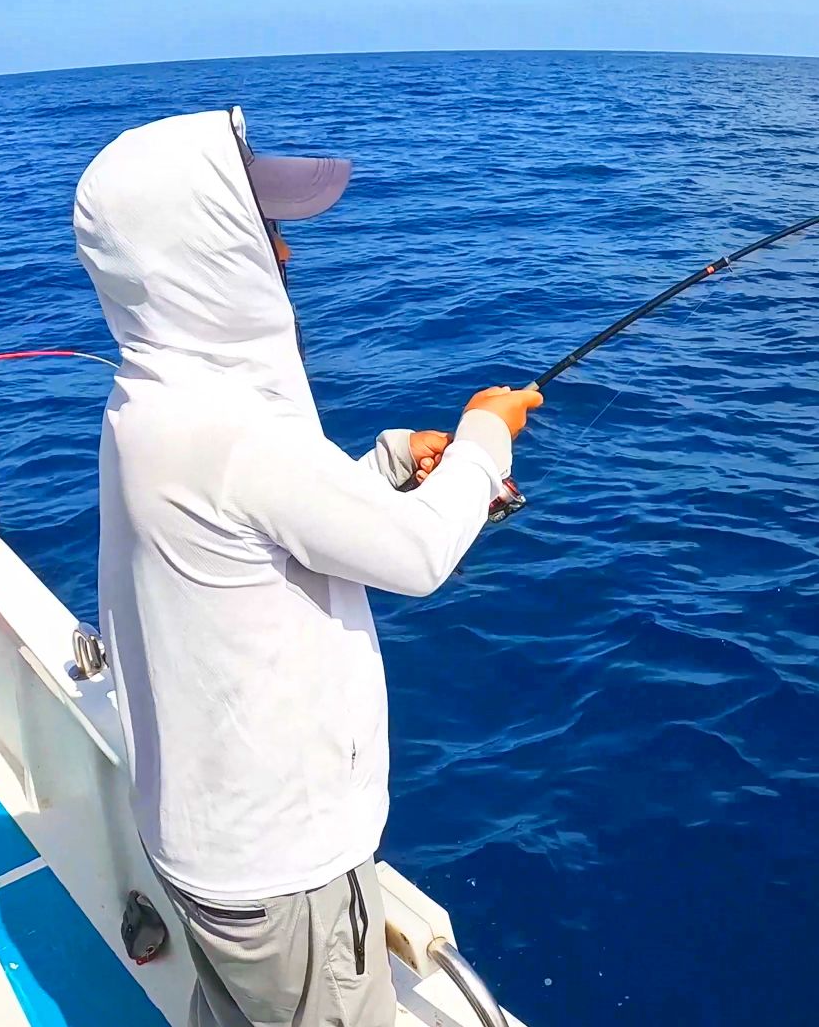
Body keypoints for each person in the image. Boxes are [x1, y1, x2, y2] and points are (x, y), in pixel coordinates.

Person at [74, 106, 540, 1027]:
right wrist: (487, 435)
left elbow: (258, 531)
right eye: (266, 232)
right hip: (281, 880)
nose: (287, 256)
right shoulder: (234, 432)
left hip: (206, 853)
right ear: (206, 252)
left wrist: (394, 462)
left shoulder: (155, 400)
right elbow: (412, 554)